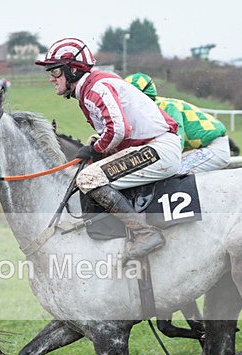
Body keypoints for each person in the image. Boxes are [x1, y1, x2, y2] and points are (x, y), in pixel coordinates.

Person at [35, 38, 181, 260]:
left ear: (72, 70)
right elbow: (115, 130)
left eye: (55, 72)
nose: (51, 79)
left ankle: (145, 234)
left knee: (87, 179)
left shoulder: (95, 88)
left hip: (158, 148)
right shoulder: (91, 87)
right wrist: (96, 144)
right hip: (152, 146)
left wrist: (95, 148)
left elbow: (119, 130)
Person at [127, 72, 231, 174]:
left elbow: (176, 144)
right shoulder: (150, 109)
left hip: (214, 148)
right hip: (200, 148)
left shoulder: (168, 108)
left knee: (169, 171)